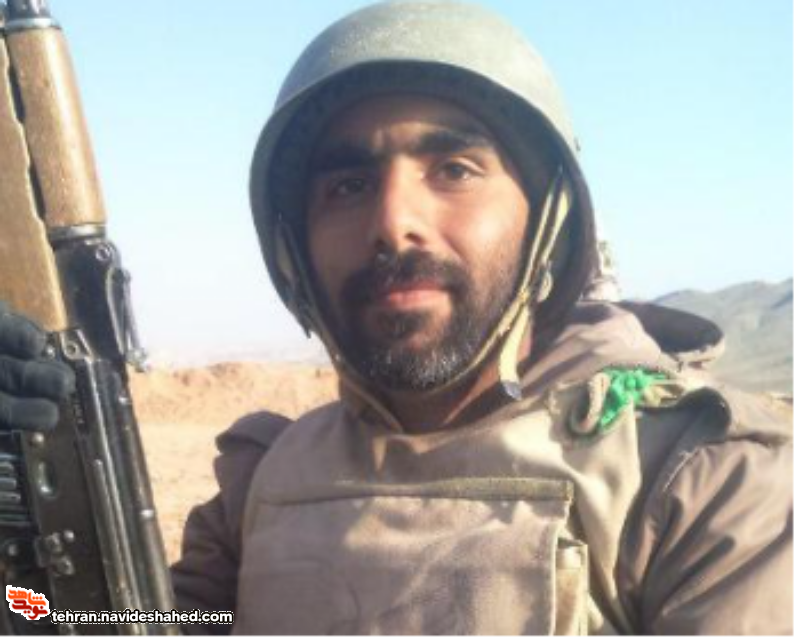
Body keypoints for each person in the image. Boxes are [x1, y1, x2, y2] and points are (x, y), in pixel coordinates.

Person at [0, 1, 791, 634]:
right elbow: (87, 624)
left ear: (548, 222)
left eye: (455, 169)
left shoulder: (704, 483)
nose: (393, 223)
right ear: (294, 249)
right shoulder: (261, 486)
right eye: (347, 186)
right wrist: (18, 533)